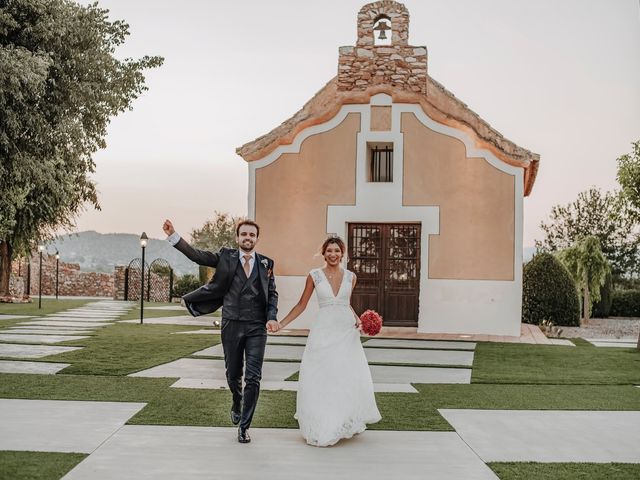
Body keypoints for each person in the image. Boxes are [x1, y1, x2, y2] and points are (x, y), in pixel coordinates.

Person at [162, 219, 278, 444]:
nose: (248, 238)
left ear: (256, 238)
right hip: (231, 323)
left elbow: (272, 293)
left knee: (253, 377)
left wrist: (271, 317)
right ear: (237, 238)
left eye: (252, 235)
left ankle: (244, 427)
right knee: (233, 374)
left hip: (256, 327)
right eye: (244, 234)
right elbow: (197, 255)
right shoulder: (226, 256)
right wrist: (174, 236)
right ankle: (237, 399)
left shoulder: (266, 263)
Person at [273, 235, 381, 446]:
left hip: (345, 331)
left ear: (342, 253)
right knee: (321, 376)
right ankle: (323, 422)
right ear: (323, 253)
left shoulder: (352, 276)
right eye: (329, 251)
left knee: (344, 376)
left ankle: (342, 421)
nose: (333, 254)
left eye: (337, 251)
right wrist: (281, 324)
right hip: (323, 331)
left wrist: (360, 321)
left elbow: (345, 304)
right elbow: (301, 305)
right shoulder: (314, 276)